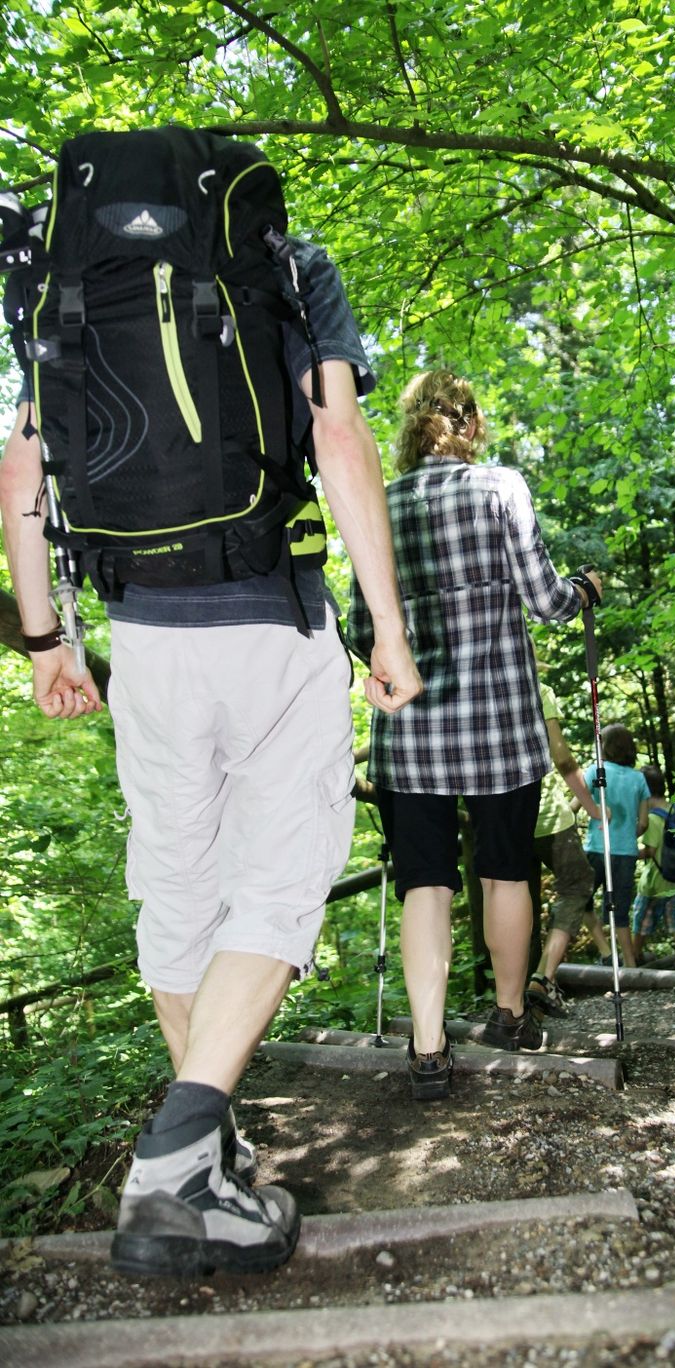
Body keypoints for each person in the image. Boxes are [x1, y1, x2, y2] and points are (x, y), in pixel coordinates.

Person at [0, 235, 422, 1277]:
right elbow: (340, 435)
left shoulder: (70, 280)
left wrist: (49, 639)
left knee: (179, 894)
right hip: (273, 614)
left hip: (144, 632)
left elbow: (22, 461)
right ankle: (180, 1166)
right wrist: (390, 628)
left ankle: (206, 1165)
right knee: (280, 883)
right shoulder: (289, 263)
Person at [345, 369, 601, 1099]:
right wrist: (585, 590)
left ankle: (428, 1051)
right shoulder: (501, 489)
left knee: (424, 882)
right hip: (499, 724)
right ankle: (510, 1013)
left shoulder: (378, 505)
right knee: (505, 869)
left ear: (410, 427)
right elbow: (549, 602)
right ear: (471, 423)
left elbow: (363, 630)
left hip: (412, 731)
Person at [524, 676, 613, 1018]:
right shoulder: (537, 688)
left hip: (504, 820)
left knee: (518, 908)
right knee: (577, 886)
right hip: (548, 817)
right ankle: (542, 980)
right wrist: (591, 808)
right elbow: (561, 757)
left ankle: (517, 1005)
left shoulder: (472, 685)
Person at [582, 723, 649, 970]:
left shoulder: (595, 771)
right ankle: (630, 965)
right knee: (620, 913)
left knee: (581, 900)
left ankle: (606, 951)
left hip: (598, 849)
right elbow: (643, 823)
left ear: (605, 746)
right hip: (626, 852)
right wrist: (627, 833)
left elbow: (573, 807)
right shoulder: (639, 778)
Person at [631, 764, 675, 968]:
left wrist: (630, 854)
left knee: (641, 920)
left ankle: (634, 955)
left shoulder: (652, 818)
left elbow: (649, 850)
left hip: (655, 881)